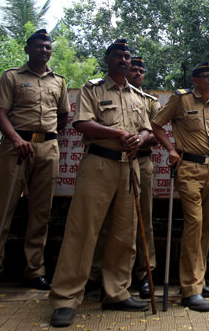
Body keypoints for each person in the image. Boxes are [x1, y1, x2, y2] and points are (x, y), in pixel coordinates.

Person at [49, 39, 152, 327]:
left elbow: (145, 129)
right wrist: (118, 132)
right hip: (99, 163)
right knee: (82, 231)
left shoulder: (135, 95)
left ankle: (116, 292)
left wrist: (138, 139)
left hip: (129, 166)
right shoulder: (92, 88)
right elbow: (81, 123)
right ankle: (66, 298)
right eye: (118, 55)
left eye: (127, 56)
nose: (123, 60)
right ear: (107, 60)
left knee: (125, 233)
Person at [0, 29, 69, 299]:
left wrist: (45, 138)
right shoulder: (12, 77)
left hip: (48, 149)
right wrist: (18, 139)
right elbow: (0, 114)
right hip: (15, 149)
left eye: (48, 46)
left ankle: (34, 271)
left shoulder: (59, 81)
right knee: (3, 211)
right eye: (39, 46)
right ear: (27, 49)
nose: (44, 50)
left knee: (41, 213)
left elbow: (62, 117)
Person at [151, 62, 209, 312]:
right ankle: (190, 289)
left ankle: (199, 278)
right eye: (207, 76)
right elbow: (156, 124)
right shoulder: (180, 100)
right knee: (194, 224)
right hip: (189, 170)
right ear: (195, 80)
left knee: (208, 224)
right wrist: (171, 150)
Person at [87, 57, 160, 298]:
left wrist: (138, 139)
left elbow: (155, 133)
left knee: (142, 221)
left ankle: (144, 272)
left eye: (141, 70)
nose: (137, 73)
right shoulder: (99, 90)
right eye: (134, 68)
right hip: (109, 161)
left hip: (141, 162)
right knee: (105, 221)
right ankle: (96, 273)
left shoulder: (148, 101)